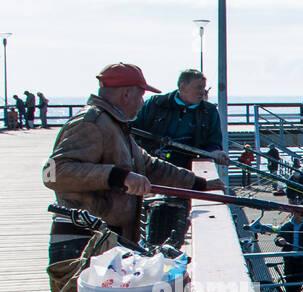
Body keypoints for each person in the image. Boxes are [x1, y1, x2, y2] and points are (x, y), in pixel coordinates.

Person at [43, 62, 222, 265]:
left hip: (106, 239)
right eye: (140, 95)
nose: (142, 102)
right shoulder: (91, 122)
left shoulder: (114, 125)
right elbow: (53, 172)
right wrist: (120, 176)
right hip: (82, 241)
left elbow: (150, 165)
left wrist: (199, 184)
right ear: (126, 94)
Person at [132, 69, 227, 246]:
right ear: (182, 86)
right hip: (153, 171)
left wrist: (215, 152)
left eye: (204, 88)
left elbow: (213, 141)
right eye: (198, 88)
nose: (202, 92)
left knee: (177, 222)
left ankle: (173, 248)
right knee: (153, 220)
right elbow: (133, 130)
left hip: (185, 173)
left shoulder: (208, 111)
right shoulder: (156, 104)